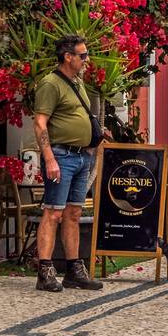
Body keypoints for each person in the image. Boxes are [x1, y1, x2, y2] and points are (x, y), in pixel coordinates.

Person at [31, 35, 104, 294]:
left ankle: (74, 269)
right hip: (61, 156)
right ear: (67, 56)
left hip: (83, 157)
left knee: (74, 213)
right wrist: (49, 158)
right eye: (82, 55)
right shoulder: (51, 84)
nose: (87, 60)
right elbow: (40, 122)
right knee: (53, 212)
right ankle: (46, 271)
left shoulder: (77, 82)